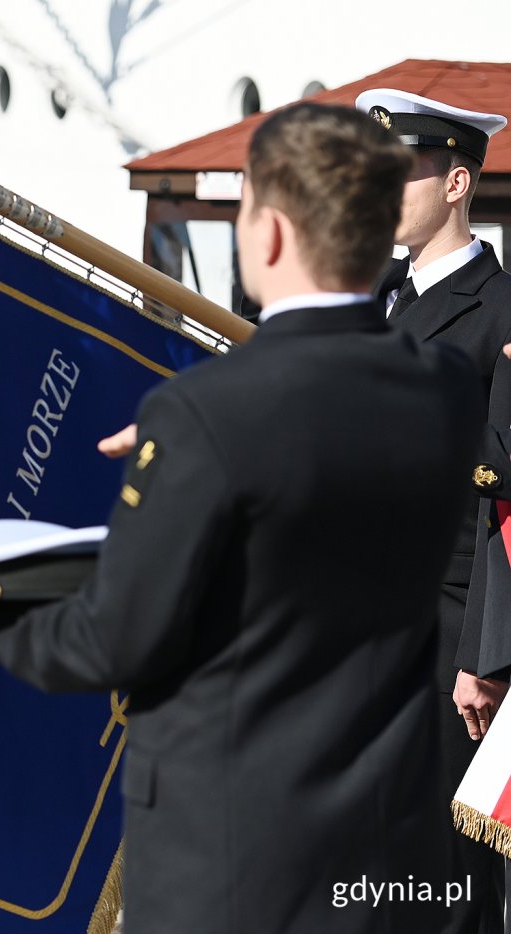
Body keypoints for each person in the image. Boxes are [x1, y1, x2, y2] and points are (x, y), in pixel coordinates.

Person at [0, 103, 480, 933]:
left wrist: (9, 622)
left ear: (268, 233)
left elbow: (120, 636)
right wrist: (201, 443)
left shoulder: (206, 414)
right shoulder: (445, 389)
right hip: (391, 856)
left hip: (237, 859)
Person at [356, 87, 511, 934]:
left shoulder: (502, 312)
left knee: (447, 885)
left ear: (455, 184)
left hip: (450, 642)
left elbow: (507, 506)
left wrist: (485, 653)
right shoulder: (373, 303)